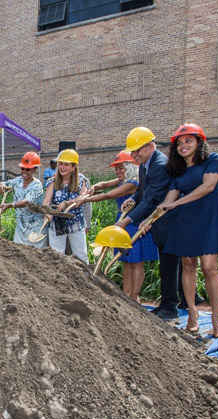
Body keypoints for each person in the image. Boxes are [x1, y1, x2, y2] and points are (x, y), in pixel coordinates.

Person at [159, 123, 218, 338]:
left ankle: (216, 318)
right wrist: (151, 217)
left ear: (199, 142)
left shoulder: (213, 160)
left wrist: (177, 204)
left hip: (209, 218)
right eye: (179, 143)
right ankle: (192, 314)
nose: (183, 145)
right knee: (187, 264)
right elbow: (168, 200)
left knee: (209, 267)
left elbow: (207, 187)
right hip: (185, 221)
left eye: (188, 141)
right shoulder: (178, 171)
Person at [116, 126, 178, 321]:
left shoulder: (159, 164)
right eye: (132, 152)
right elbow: (143, 190)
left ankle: (170, 306)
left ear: (150, 145)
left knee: (170, 264)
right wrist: (133, 199)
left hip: (168, 221)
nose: (134, 155)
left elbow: (151, 199)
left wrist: (126, 221)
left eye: (137, 151)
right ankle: (169, 304)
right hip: (156, 220)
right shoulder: (145, 164)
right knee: (166, 264)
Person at [86, 151, 157, 299]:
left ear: (130, 167)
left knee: (136, 261)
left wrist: (83, 200)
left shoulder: (133, 183)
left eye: (121, 168)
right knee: (126, 260)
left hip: (133, 221)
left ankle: (134, 297)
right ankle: (126, 294)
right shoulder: (122, 181)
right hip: (122, 220)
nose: (118, 171)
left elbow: (108, 195)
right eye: (116, 168)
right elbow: (104, 185)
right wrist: (93, 187)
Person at [42, 149, 89, 263]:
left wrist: (67, 204)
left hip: (75, 223)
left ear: (73, 167)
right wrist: (46, 212)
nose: (62, 167)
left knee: (81, 256)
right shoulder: (52, 181)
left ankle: (85, 279)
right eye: (60, 164)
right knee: (57, 257)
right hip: (57, 224)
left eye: (66, 164)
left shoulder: (81, 180)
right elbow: (46, 201)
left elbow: (83, 197)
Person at [0, 151, 45, 248]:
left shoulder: (37, 185)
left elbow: (27, 202)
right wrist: (2, 184)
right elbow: (6, 183)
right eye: (22, 168)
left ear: (34, 169)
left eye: (28, 169)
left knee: (35, 256)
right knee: (18, 255)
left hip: (35, 228)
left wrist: (11, 205)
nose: (24, 172)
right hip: (21, 226)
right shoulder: (18, 180)